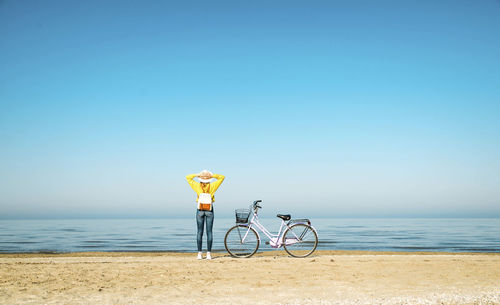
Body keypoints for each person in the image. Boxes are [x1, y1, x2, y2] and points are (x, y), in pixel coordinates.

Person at [186, 170, 225, 260]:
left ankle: (199, 253)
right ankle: (208, 254)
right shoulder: (212, 186)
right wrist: (212, 175)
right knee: (209, 232)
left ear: (200, 178)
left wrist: (198, 174)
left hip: (200, 210)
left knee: (199, 232)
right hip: (209, 210)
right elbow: (222, 177)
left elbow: (188, 177)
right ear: (209, 179)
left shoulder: (196, 186)